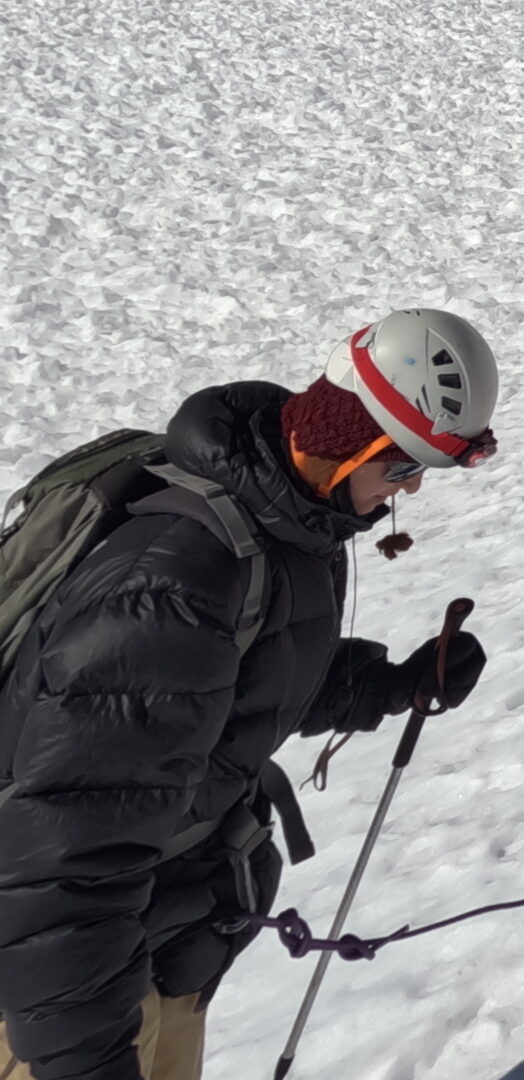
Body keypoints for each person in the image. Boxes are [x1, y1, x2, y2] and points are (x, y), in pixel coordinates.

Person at [0, 313, 498, 1080]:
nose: (414, 489)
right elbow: (66, 857)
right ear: (352, 442)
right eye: (402, 469)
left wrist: (387, 684)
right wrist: (85, 1061)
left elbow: (239, 685)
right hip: (65, 997)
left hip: (161, 942)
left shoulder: (288, 523)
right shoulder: (174, 584)